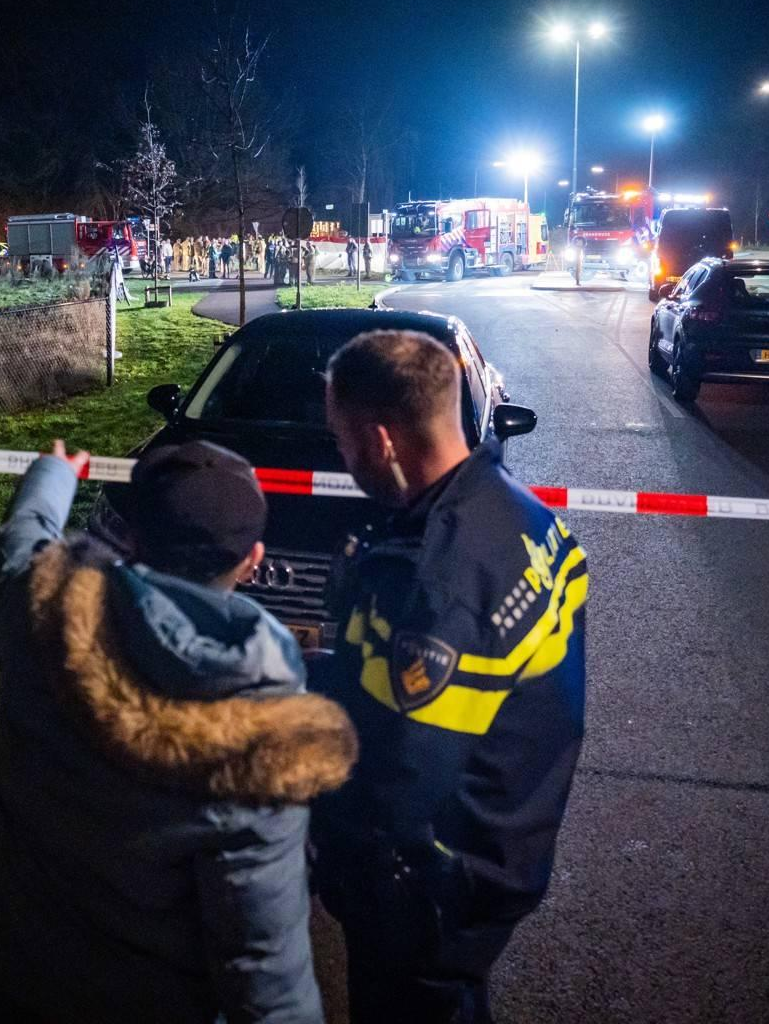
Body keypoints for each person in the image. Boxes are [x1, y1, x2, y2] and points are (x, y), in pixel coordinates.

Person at [0, 440, 358, 1024]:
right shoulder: (260, 742)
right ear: (253, 561)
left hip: (25, 976)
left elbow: (25, 536)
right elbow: (264, 960)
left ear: (130, 539)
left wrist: (54, 471)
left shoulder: (40, 614)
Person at [312, 331, 589, 1024]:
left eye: (342, 442)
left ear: (380, 441)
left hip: (433, 879)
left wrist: (325, 852)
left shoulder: (444, 584)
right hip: (499, 845)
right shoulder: (517, 512)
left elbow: (400, 782)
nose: (342, 459)